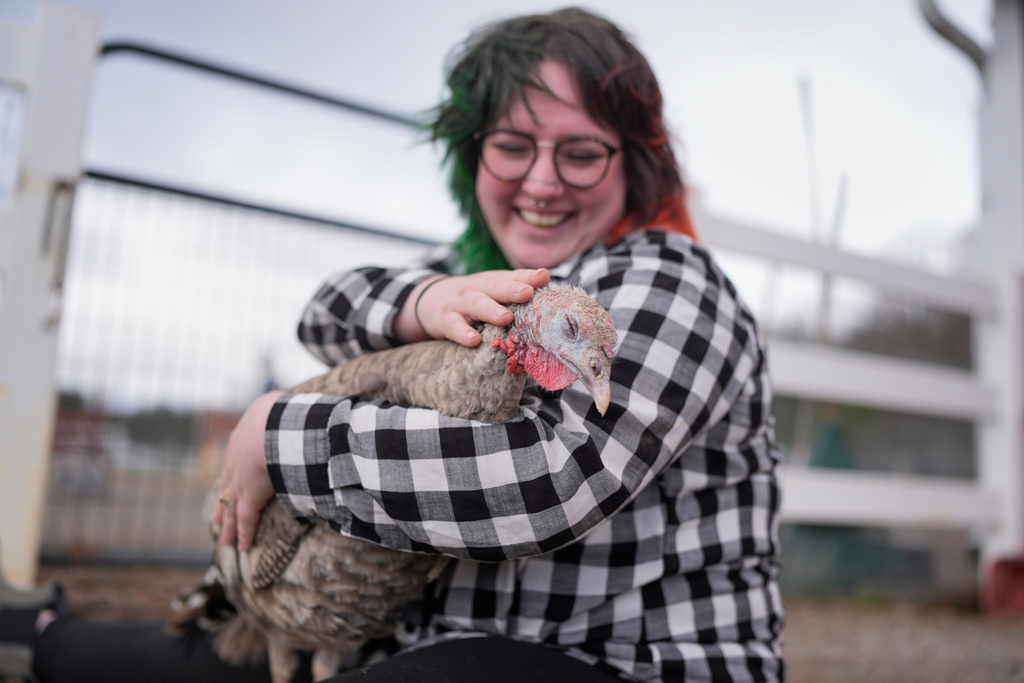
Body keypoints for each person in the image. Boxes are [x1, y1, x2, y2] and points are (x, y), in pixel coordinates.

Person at [0, 7, 784, 682]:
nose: (543, 181)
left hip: (621, 661)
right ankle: (38, 634)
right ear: (472, 154)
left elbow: (549, 479)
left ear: (634, 163)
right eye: (513, 145)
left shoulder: (669, 279)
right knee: (181, 658)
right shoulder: (469, 279)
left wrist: (281, 436)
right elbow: (325, 311)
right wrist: (424, 299)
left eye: (580, 151)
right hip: (428, 637)